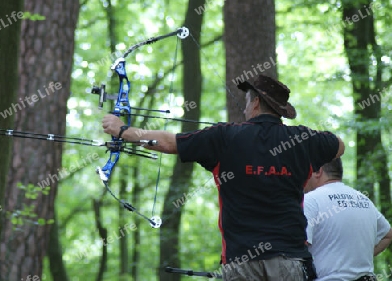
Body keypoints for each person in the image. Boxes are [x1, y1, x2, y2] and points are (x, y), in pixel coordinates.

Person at [101, 74, 345, 281]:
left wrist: (124, 131)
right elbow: (339, 146)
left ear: (257, 102)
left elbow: (167, 142)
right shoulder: (302, 139)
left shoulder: (225, 137)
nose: (244, 107)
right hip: (289, 261)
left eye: (247, 102)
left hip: (242, 261)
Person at [304, 158, 392, 281]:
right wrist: (356, 260)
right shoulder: (363, 199)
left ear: (318, 171)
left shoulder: (311, 200)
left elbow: (298, 245)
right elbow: (388, 234)